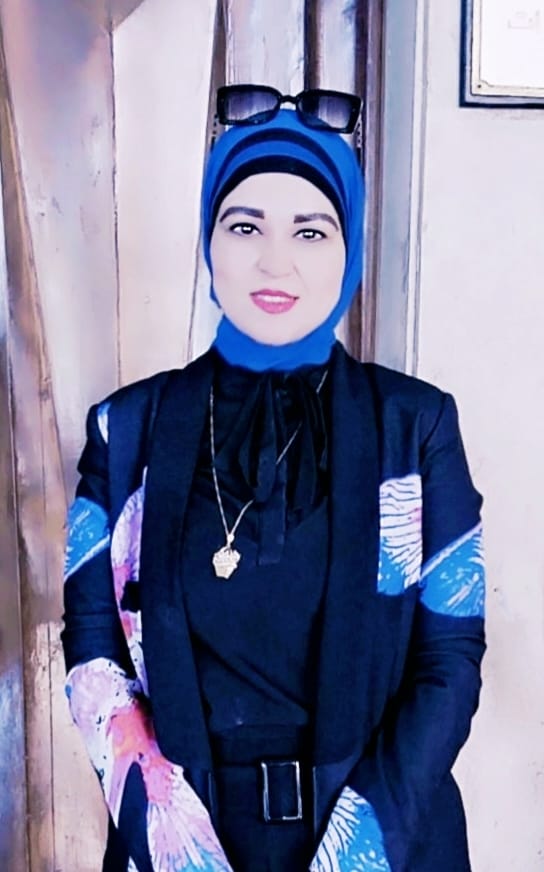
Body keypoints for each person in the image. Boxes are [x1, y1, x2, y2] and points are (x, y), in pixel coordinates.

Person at [61, 88, 486, 872]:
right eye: (245, 226)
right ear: (210, 241)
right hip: (184, 842)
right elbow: (92, 653)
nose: (275, 261)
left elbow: (450, 659)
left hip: (385, 842)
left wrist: (356, 855)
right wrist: (180, 851)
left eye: (310, 231)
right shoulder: (126, 431)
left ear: (349, 246)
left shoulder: (416, 426)